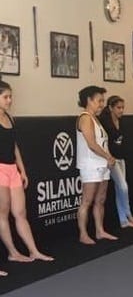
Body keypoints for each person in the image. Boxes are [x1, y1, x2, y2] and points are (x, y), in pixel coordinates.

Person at [0, 79, 53, 270]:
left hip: (12, 169)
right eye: (5, 97)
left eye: (10, 97)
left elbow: (14, 146)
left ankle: (33, 250)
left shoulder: (10, 118)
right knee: (2, 214)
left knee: (20, 213)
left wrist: (22, 170)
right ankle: (13, 253)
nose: (9, 100)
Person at [76, 85, 118, 245]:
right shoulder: (85, 117)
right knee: (87, 200)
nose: (102, 104)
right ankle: (83, 233)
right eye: (99, 101)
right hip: (90, 165)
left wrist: (107, 159)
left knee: (100, 199)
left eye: (103, 101)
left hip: (102, 164)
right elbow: (91, 144)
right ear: (89, 100)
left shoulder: (96, 119)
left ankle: (100, 231)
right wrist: (108, 156)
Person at [99, 96, 133, 228]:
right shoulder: (105, 122)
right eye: (118, 108)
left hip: (121, 158)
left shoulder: (121, 122)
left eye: (123, 108)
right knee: (123, 186)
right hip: (111, 159)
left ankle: (123, 220)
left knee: (119, 188)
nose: (121, 110)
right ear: (110, 108)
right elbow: (103, 142)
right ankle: (128, 214)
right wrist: (109, 157)